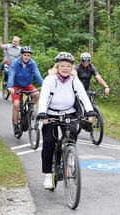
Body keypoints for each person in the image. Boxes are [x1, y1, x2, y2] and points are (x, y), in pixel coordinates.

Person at [38, 52, 95, 189]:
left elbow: (83, 96)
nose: (65, 68)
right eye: (62, 65)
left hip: (69, 113)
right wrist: (42, 113)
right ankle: (47, 174)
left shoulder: (74, 80)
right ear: (57, 67)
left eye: (68, 66)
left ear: (72, 68)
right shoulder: (50, 80)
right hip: (50, 115)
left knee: (71, 137)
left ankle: (68, 160)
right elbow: (44, 96)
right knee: (49, 142)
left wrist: (90, 111)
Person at [7, 46, 43, 135]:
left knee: (37, 94)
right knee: (16, 104)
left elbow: (38, 75)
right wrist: (10, 87)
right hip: (16, 86)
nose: (27, 57)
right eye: (25, 55)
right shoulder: (15, 63)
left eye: (29, 55)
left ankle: (31, 111)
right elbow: (11, 75)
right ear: (21, 55)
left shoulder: (32, 63)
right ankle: (15, 125)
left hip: (27, 85)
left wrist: (45, 85)